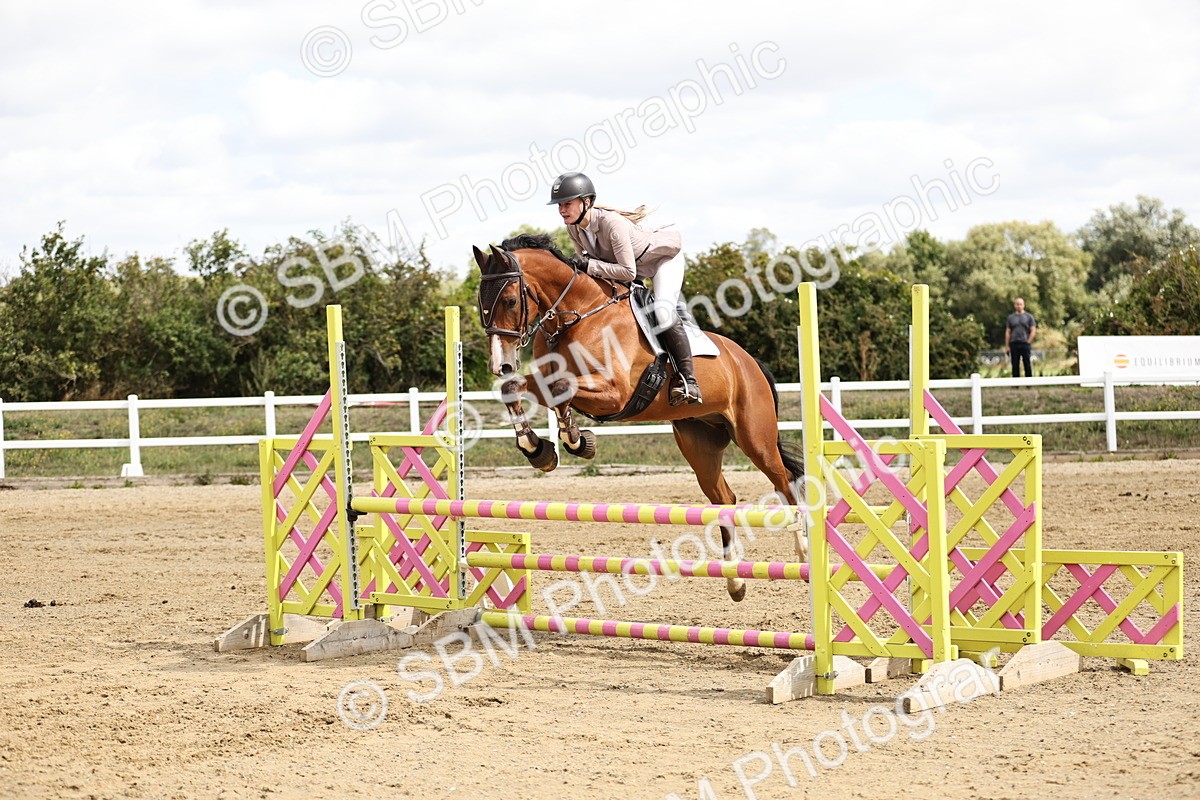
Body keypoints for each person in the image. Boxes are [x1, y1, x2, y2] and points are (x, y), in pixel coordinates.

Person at [548, 171, 702, 405]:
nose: (562, 210)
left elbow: (627, 272)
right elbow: (588, 270)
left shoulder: (613, 224)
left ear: (586, 202)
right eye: (559, 205)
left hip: (661, 262)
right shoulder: (574, 228)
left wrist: (589, 265)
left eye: (567, 204)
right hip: (630, 268)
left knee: (662, 312)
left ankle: (688, 381)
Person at [1005, 297, 1037, 378]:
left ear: (1023, 305)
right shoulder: (1011, 318)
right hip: (1014, 343)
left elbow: (1033, 330)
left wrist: (1028, 341)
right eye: (1017, 304)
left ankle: (1029, 382)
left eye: (1020, 304)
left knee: (1027, 363)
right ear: (1014, 305)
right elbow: (1008, 332)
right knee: (1015, 364)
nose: (1019, 306)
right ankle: (1016, 383)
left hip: (1025, 343)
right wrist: (1007, 346)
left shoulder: (1029, 317)